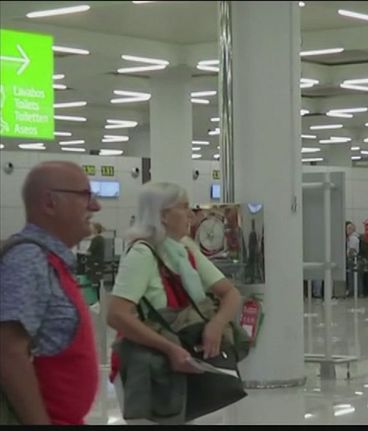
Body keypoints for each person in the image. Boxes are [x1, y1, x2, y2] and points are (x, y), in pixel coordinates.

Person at [106, 182, 242, 418]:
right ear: (163, 215)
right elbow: (117, 315)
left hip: (182, 360)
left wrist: (217, 324)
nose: (191, 215)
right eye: (184, 207)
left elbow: (230, 293)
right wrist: (168, 348)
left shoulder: (185, 250)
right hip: (147, 366)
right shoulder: (142, 254)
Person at [0, 161, 102, 425]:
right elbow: (8, 351)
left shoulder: (51, 261)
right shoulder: (29, 259)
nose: (95, 206)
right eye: (85, 195)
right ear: (49, 203)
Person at [87, 222, 106, 287]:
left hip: (94, 263)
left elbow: (90, 251)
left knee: (94, 282)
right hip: (99, 262)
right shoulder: (102, 239)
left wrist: (87, 253)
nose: (91, 230)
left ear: (96, 230)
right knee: (98, 281)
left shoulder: (95, 239)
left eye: (92, 228)